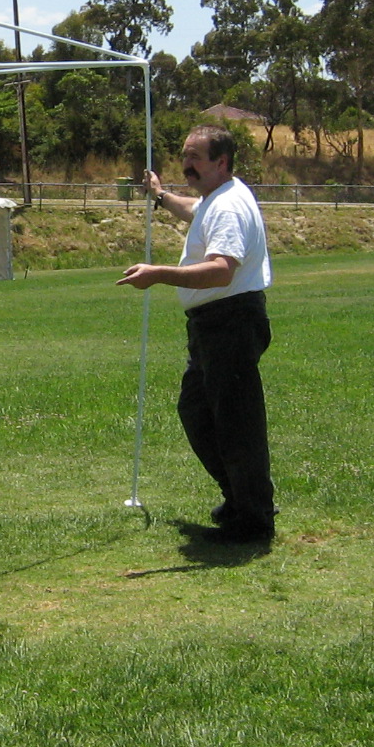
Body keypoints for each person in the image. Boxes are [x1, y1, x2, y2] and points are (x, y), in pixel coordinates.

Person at [117, 125, 276, 541]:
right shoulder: (216, 198)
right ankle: (240, 498)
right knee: (197, 411)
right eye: (184, 155)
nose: (186, 164)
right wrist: (160, 195)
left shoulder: (228, 207)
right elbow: (195, 211)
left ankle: (253, 519)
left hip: (231, 321)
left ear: (221, 162)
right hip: (214, 324)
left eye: (195, 158)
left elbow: (222, 270)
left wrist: (158, 274)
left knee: (235, 423)